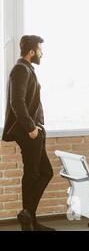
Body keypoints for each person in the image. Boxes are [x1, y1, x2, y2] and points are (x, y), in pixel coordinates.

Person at [2, 35, 54, 231]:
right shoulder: (20, 70)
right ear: (31, 52)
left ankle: (29, 218)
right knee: (34, 173)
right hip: (28, 132)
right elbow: (17, 102)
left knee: (40, 172)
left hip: (33, 131)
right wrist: (32, 128)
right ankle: (28, 220)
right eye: (40, 49)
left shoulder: (26, 69)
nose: (42, 53)